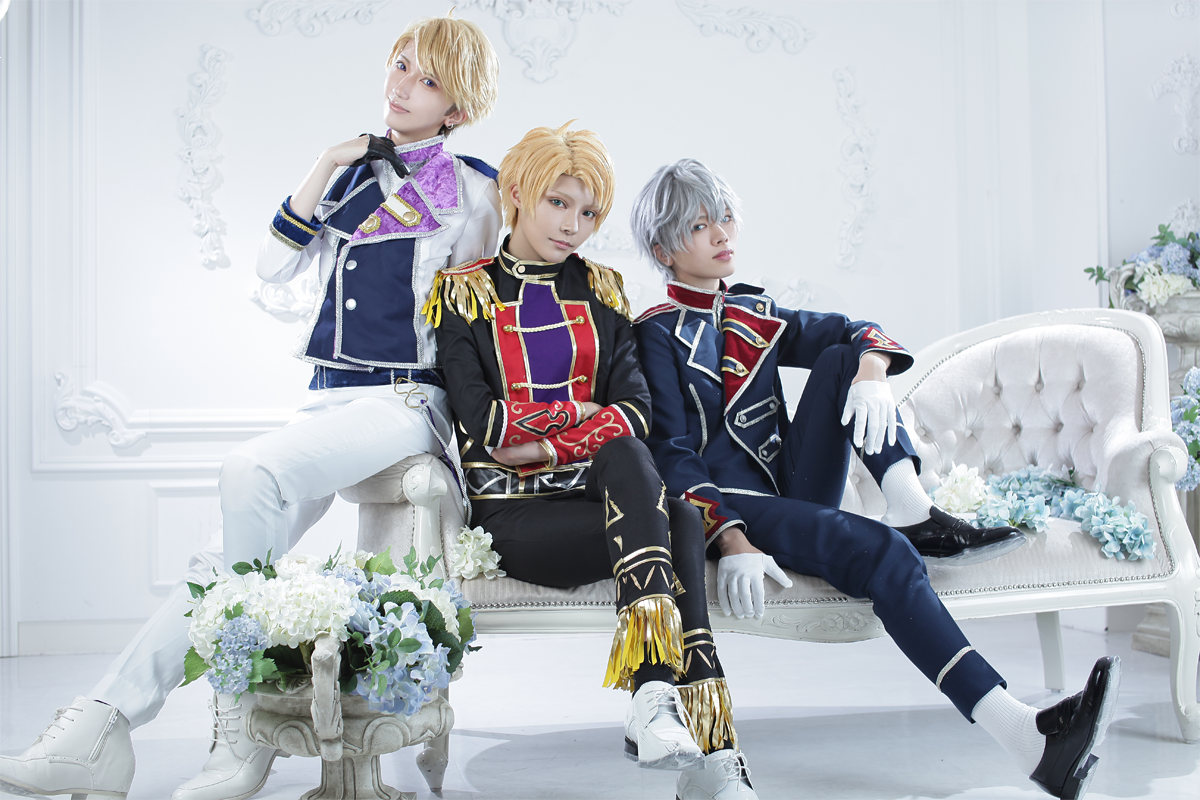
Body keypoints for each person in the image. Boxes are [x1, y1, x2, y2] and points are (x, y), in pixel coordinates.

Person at [0, 16, 501, 800]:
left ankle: (238, 733)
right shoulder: (346, 179)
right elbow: (271, 266)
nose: (401, 85)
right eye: (400, 65)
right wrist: (323, 162)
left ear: (457, 107)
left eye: (427, 78)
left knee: (250, 472)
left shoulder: (472, 191)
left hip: (405, 399)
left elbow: (482, 322)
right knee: (219, 569)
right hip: (327, 401)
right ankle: (102, 727)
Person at [629, 158, 1121, 800]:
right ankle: (1026, 736)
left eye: (725, 217)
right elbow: (671, 454)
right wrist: (730, 536)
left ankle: (912, 507)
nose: (723, 233)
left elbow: (853, 331)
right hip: (739, 507)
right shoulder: (654, 333)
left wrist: (871, 373)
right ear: (664, 250)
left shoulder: (753, 308)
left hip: (790, 488)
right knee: (884, 551)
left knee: (842, 357)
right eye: (700, 226)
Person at [425, 124, 757, 799]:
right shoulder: (465, 294)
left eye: (588, 212)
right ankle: (699, 741)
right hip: (517, 520)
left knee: (672, 506)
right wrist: (581, 413)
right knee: (670, 515)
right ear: (518, 192)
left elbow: (635, 413)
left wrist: (545, 442)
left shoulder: (603, 291)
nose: (572, 225)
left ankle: (667, 710)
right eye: (558, 203)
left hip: (604, 505)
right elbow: (485, 423)